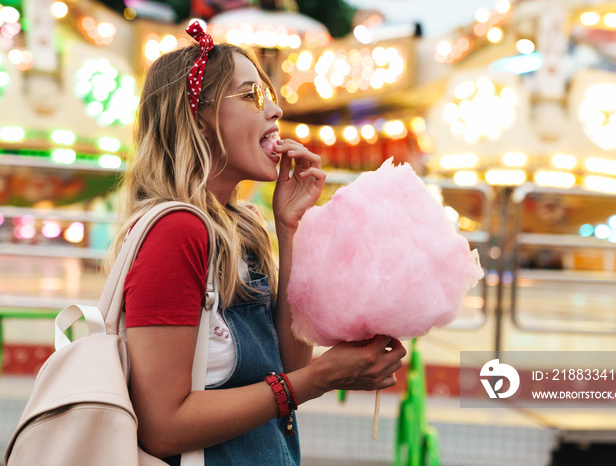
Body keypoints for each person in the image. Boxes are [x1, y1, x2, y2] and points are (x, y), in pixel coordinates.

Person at [105, 23, 406, 465]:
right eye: (252, 96)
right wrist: (323, 377)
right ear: (199, 120)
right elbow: (163, 426)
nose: (277, 110)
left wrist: (290, 227)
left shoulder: (240, 228)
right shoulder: (177, 232)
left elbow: (290, 364)